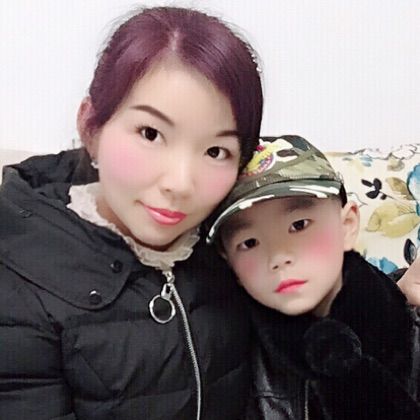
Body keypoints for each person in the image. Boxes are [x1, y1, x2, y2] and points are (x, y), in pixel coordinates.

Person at [0, 6, 263, 419]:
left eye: (216, 151)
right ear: (91, 126)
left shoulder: (232, 243)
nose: (180, 183)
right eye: (150, 133)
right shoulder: (18, 285)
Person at [206, 135, 420, 419]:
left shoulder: (406, 324)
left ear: (347, 225)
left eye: (299, 225)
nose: (278, 257)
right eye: (249, 243)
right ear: (228, 262)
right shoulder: (228, 360)